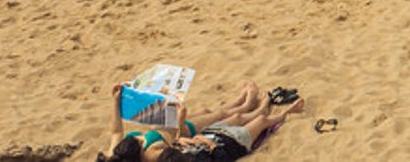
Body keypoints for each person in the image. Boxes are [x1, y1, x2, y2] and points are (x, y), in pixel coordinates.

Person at [100, 81, 305, 162]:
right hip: (182, 129)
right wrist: (180, 123)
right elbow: (178, 145)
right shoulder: (151, 155)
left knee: (212, 111)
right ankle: (252, 102)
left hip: (168, 122)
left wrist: (115, 101)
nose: (140, 139)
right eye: (138, 143)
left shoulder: (117, 152)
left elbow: (115, 132)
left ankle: (244, 101)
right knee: (224, 116)